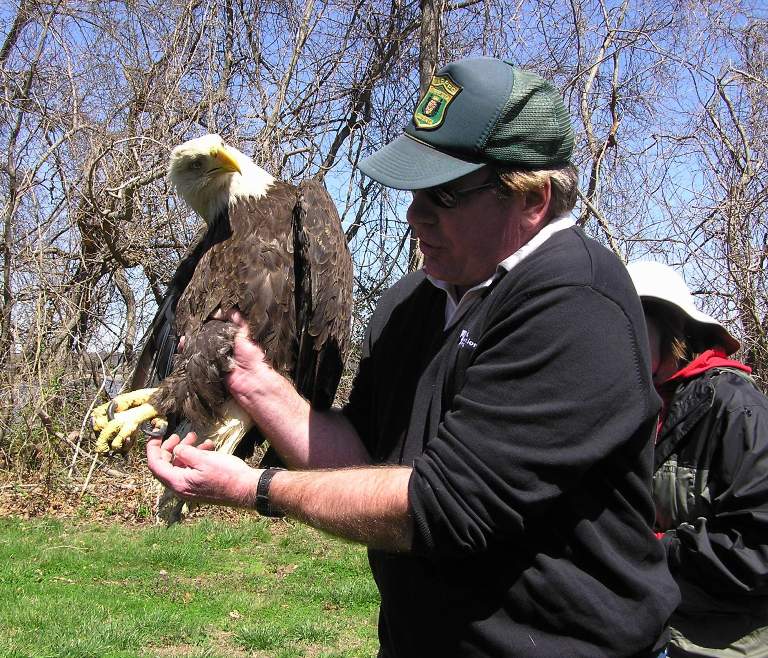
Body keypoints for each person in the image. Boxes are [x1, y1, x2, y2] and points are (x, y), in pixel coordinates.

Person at [147, 57, 679, 657]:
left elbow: (440, 507)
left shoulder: (576, 304)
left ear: (532, 199)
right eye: (415, 190)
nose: (414, 214)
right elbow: (364, 453)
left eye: (445, 195)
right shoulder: (416, 299)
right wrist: (253, 381)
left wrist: (257, 488)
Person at [627, 261, 768, 658]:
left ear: (670, 327)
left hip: (721, 644)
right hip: (654, 627)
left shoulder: (737, 409)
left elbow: (758, 547)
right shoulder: (638, 406)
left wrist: (654, 550)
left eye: (634, 326)